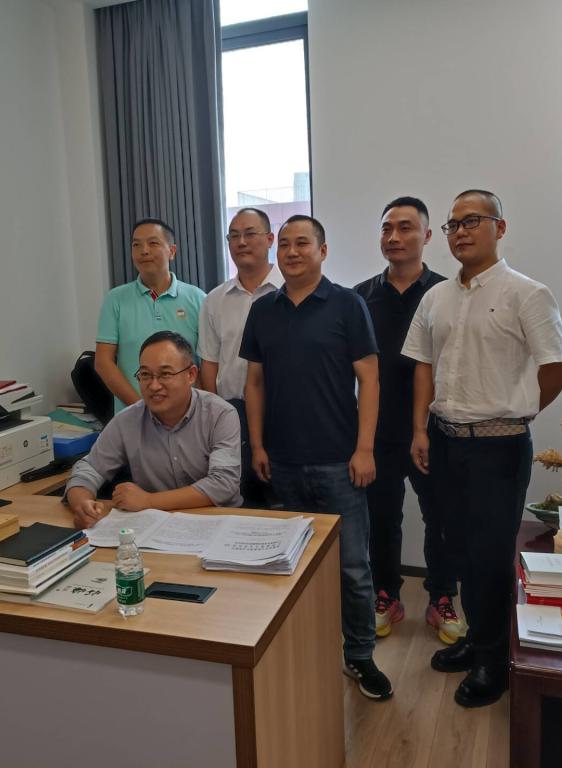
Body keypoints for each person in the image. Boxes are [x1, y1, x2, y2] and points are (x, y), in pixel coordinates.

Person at [403, 190, 562, 708]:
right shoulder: (435, 297)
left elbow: (557, 365)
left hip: (499, 448)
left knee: (491, 556)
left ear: (500, 227)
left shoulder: (527, 293)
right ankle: (476, 642)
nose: (460, 231)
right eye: (453, 224)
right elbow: (423, 365)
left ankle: (494, 663)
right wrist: (420, 430)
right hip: (445, 441)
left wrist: (520, 410)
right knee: (456, 546)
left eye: (472, 221)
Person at [240, 214, 392, 701]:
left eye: (302, 243)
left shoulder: (347, 304)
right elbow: (254, 383)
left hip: (339, 462)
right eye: (284, 243)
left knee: (352, 569)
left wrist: (364, 449)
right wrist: (257, 445)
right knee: (288, 566)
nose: (291, 251)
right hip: (281, 463)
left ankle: (360, 656)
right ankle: (301, 651)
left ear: (322, 251)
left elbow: (370, 379)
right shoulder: (263, 310)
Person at [354, 196, 464, 643]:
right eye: (386, 228)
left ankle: (442, 597)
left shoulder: (446, 293)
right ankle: (386, 594)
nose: (394, 237)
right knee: (381, 518)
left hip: (433, 430)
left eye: (405, 227)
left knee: (442, 517)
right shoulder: (360, 296)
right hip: (377, 430)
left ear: (427, 235)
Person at [66, 331, 241, 528]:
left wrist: (149, 501)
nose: (154, 385)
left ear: (191, 374)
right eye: (145, 375)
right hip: (156, 527)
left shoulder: (220, 414)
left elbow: (223, 484)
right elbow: (88, 470)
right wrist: (82, 505)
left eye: (165, 374)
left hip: (216, 523)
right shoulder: (127, 420)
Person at [198, 207, 283, 507]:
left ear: (270, 239)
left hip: (283, 412)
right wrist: (213, 417)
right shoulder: (214, 300)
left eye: (249, 234)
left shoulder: (290, 290)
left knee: (287, 504)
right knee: (242, 503)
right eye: (234, 236)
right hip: (233, 415)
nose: (241, 242)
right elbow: (209, 362)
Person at [95, 218, 206, 414]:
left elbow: (206, 363)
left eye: (153, 243)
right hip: (132, 416)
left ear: (172, 251)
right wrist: (142, 409)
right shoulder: (115, 299)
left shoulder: (198, 299)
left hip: (188, 416)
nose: (144, 251)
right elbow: (103, 363)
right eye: (136, 245)